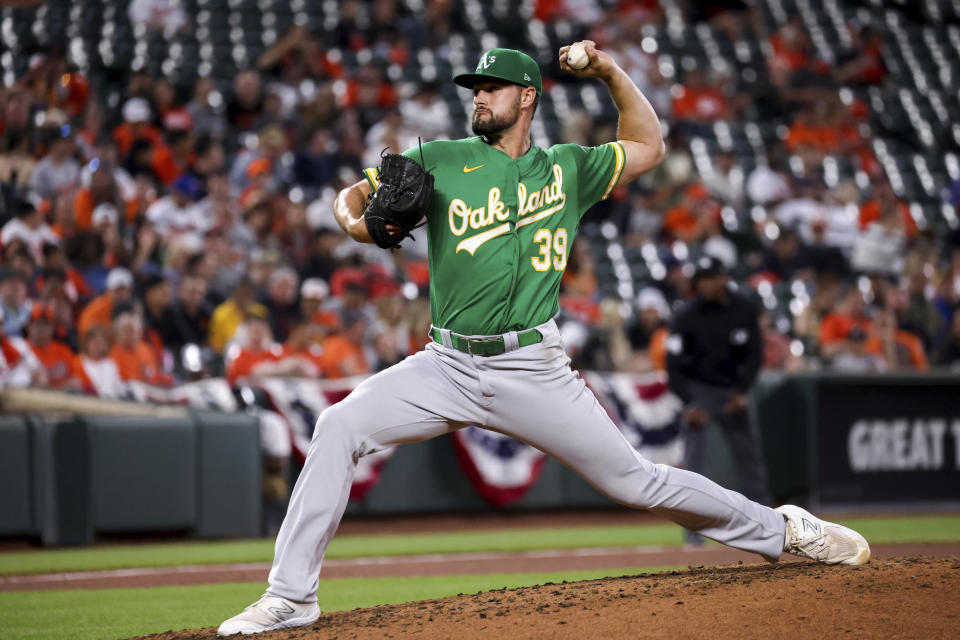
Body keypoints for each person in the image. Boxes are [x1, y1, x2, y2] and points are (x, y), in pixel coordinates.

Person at [218, 43, 871, 636]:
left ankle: (783, 529)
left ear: (527, 96)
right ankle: (291, 595)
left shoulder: (568, 169)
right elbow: (354, 200)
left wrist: (612, 71)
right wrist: (356, 223)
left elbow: (648, 147)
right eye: (474, 88)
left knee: (637, 482)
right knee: (337, 425)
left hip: (533, 367)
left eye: (492, 87)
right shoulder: (439, 158)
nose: (478, 96)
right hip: (445, 362)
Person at [665, 257, 773, 545]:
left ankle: (768, 529)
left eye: (711, 277)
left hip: (732, 391)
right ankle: (692, 535)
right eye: (702, 279)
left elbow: (754, 355)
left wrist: (742, 391)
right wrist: (689, 403)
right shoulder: (685, 315)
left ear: (724, 277)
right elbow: (673, 365)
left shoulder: (745, 309)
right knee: (692, 467)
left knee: (751, 464)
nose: (707, 284)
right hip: (699, 393)